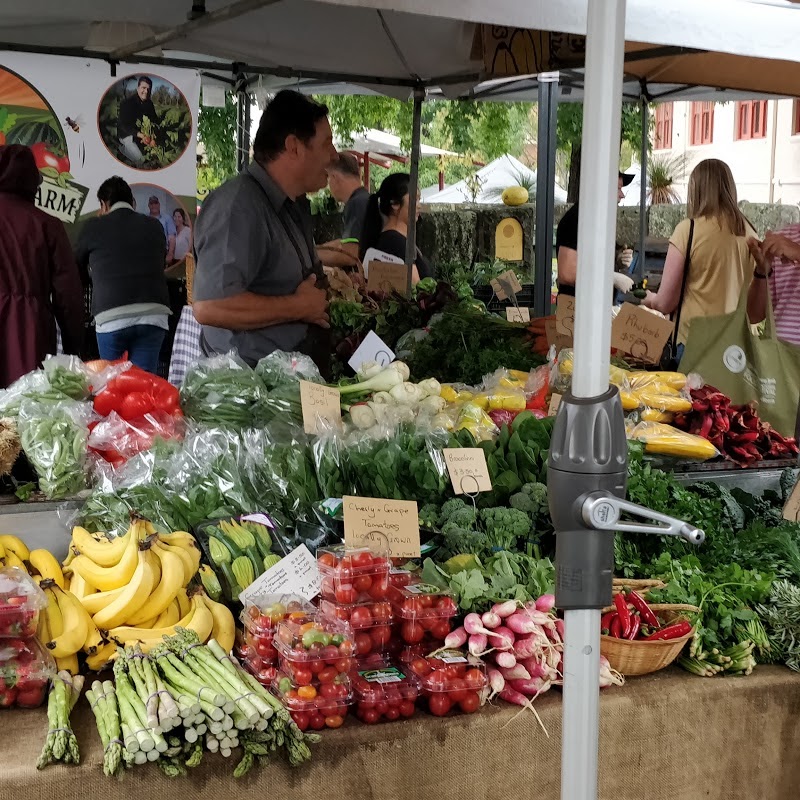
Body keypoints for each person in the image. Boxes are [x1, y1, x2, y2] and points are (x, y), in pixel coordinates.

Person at [192, 90, 336, 371]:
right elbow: (210, 306)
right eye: (327, 144)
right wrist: (299, 307)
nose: (334, 155)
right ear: (294, 146)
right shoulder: (238, 206)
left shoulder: (293, 204)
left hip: (285, 382)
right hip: (248, 393)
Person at [643, 159, 756, 348]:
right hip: (737, 348)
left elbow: (665, 303)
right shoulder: (750, 233)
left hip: (694, 345)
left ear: (696, 190)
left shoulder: (689, 230)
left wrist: (647, 298)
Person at [0, 144, 84, 388]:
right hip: (29, 331)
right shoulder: (47, 224)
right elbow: (68, 294)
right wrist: (73, 347)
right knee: (25, 411)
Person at [74, 176, 171, 374]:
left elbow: (76, 267)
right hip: (153, 314)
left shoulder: (93, 227)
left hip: (111, 316)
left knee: (112, 385)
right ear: (132, 202)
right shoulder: (154, 226)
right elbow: (160, 262)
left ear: (104, 204)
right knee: (144, 385)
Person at [556, 170, 635, 297]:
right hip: (576, 309)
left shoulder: (599, 220)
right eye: (618, 188)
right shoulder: (576, 219)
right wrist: (611, 278)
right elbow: (566, 273)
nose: (622, 195)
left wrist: (618, 260)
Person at [358, 172, 433, 285]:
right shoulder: (395, 243)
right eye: (414, 199)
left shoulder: (397, 240)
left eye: (419, 199)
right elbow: (418, 289)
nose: (419, 205)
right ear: (395, 204)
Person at [746, 229, 800, 345]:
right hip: (776, 356)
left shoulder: (787, 244)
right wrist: (762, 271)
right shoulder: (782, 238)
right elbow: (754, 316)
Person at [117, 76, 160, 165]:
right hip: (127, 135)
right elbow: (124, 126)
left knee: (153, 155)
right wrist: (141, 136)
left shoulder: (149, 104)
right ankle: (122, 149)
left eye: (149, 89)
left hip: (142, 135)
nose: (146, 91)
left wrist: (152, 135)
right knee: (140, 160)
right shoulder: (127, 103)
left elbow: (155, 120)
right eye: (143, 88)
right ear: (138, 88)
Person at [147, 196, 176, 263]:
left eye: (156, 203)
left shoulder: (167, 218)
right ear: (148, 205)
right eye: (151, 203)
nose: (154, 205)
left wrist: (170, 253)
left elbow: (171, 237)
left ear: (159, 204)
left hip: (162, 252)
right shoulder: (144, 218)